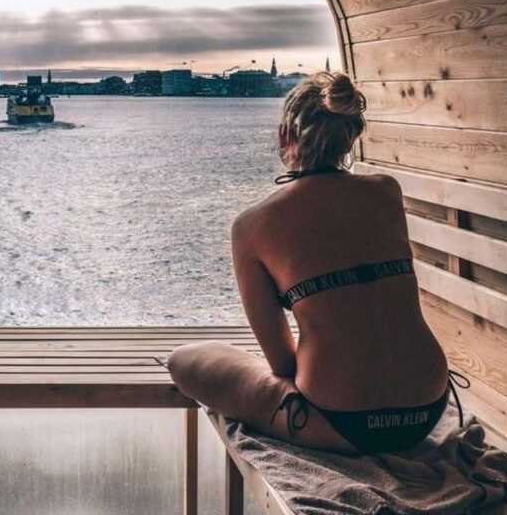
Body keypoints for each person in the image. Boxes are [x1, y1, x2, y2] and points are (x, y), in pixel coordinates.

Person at [168, 72, 460, 454]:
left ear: (284, 136)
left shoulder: (252, 226)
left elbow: (282, 365)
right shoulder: (387, 191)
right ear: (350, 136)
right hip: (427, 408)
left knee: (183, 360)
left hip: (341, 421)